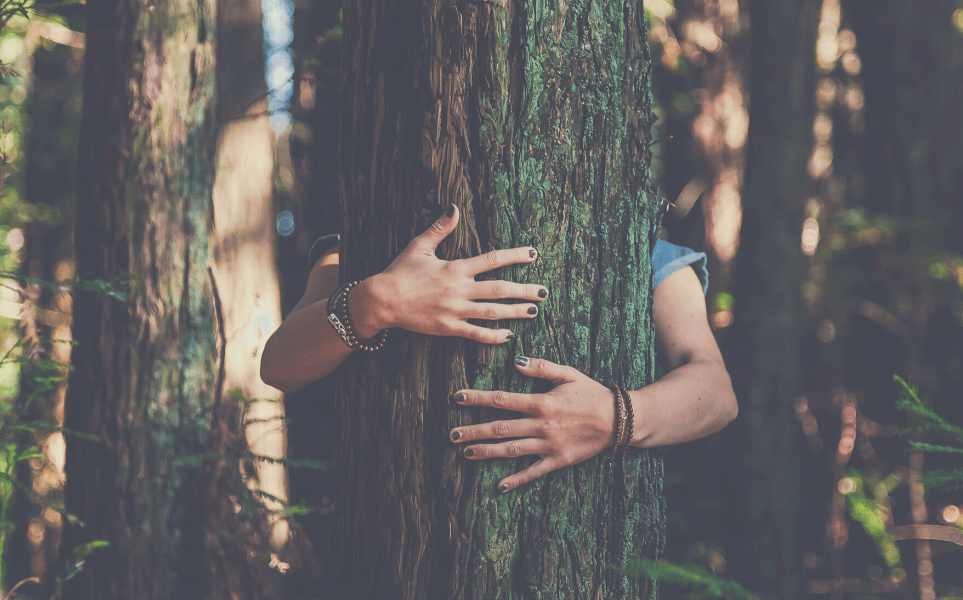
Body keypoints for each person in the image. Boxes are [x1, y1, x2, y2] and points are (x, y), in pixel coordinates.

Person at [260, 203, 738, 494]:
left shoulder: (643, 252)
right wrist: (378, 300)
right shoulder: (365, 240)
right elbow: (280, 365)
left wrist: (615, 417)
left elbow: (716, 392)